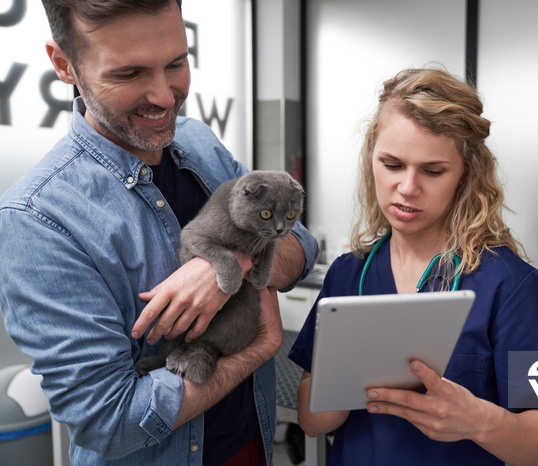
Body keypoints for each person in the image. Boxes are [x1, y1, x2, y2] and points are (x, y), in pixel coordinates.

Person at [0, 1, 318, 465]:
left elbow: (302, 246)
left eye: (176, 63)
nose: (165, 97)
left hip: (252, 442)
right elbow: (109, 422)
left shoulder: (199, 143)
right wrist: (259, 349)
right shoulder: (37, 220)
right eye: (129, 74)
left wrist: (226, 267)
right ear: (63, 64)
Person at [288, 68, 538, 466]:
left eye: (433, 171)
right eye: (392, 164)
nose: (407, 188)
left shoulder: (508, 283)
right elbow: (312, 421)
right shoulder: (348, 274)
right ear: (371, 157)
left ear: (465, 175)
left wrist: (478, 421)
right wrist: (344, 382)